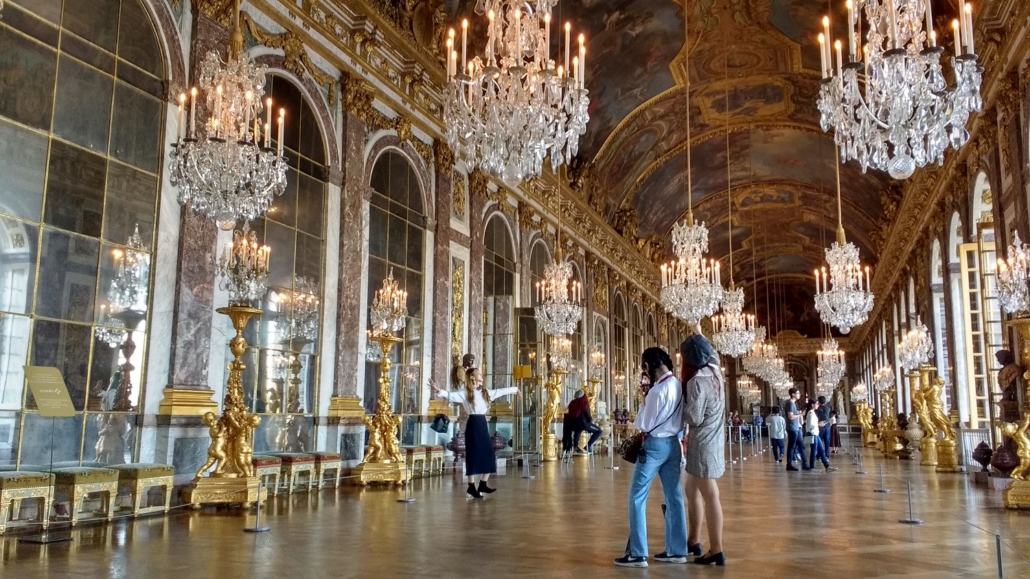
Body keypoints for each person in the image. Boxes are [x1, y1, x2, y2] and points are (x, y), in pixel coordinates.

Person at [614, 348, 687, 568]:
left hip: (654, 446)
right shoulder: (678, 385)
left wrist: (645, 399)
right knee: (674, 497)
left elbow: (643, 424)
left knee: (637, 496)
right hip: (674, 444)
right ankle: (677, 550)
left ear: (647, 367)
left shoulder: (656, 391)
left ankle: (638, 553)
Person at [432, 354, 519, 499]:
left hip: (482, 424)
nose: (481, 375)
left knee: (490, 455)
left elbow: (501, 391)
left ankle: (483, 484)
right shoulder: (465, 393)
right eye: (478, 373)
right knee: (472, 454)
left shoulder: (486, 393)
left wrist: (516, 390)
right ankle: (471, 486)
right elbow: (450, 395)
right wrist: (438, 390)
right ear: (473, 377)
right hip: (473, 424)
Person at [680, 331, 727, 566]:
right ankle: (693, 540)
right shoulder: (716, 372)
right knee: (692, 491)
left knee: (710, 495)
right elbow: (712, 352)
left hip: (703, 442)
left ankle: (716, 549)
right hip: (715, 439)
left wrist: (680, 405)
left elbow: (694, 417)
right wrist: (697, 328)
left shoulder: (697, 381)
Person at [804, 399, 837, 472]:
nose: (818, 405)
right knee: (814, 450)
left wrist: (819, 424)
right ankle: (812, 467)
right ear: (812, 405)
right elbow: (811, 425)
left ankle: (827, 466)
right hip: (813, 434)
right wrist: (819, 424)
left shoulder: (812, 412)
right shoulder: (811, 413)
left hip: (816, 433)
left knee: (821, 450)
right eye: (816, 404)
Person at [784, 388, 805, 471]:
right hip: (792, 428)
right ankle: (789, 464)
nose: (799, 394)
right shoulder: (790, 403)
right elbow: (791, 417)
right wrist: (800, 414)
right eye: (798, 393)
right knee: (792, 446)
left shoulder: (793, 403)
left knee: (799, 446)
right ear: (793, 394)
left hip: (796, 427)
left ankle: (805, 463)